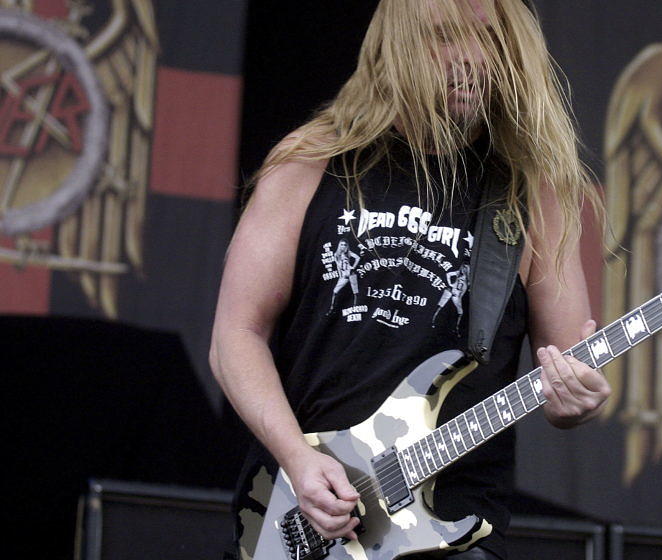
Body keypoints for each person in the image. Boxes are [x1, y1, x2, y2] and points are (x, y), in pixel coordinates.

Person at [210, 1, 610, 558]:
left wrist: (579, 399)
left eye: (492, 43)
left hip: (453, 528)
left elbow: (571, 365)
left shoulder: (531, 197)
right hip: (302, 513)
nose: (472, 61)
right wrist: (299, 460)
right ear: (396, 45)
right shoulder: (311, 163)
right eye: (447, 37)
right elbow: (236, 335)